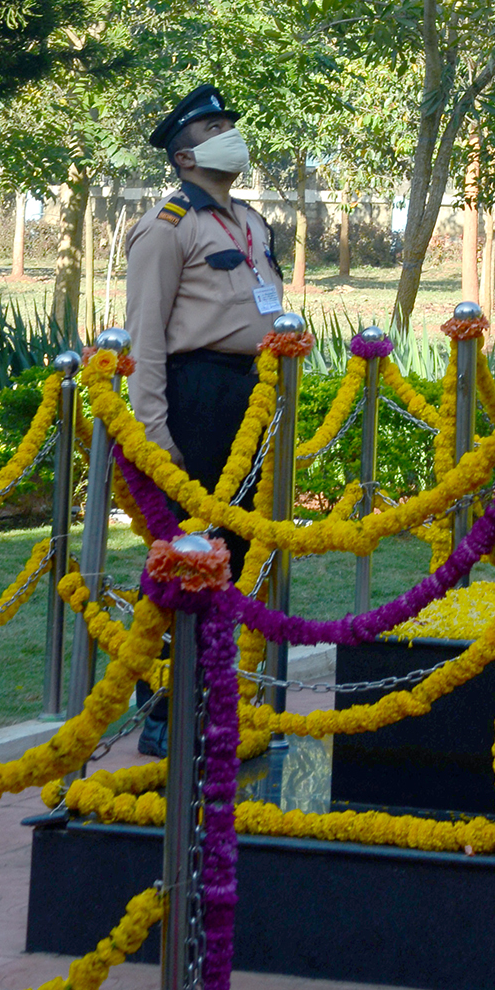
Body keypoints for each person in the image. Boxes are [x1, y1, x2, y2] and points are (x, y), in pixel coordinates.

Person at [124, 85, 287, 753]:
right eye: (214, 127)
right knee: (189, 553)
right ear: (186, 156)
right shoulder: (166, 227)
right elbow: (146, 338)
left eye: (230, 124)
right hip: (195, 397)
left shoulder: (251, 221)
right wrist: (155, 434)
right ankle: (163, 711)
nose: (230, 135)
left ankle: (228, 701)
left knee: (242, 551)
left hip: (253, 396)